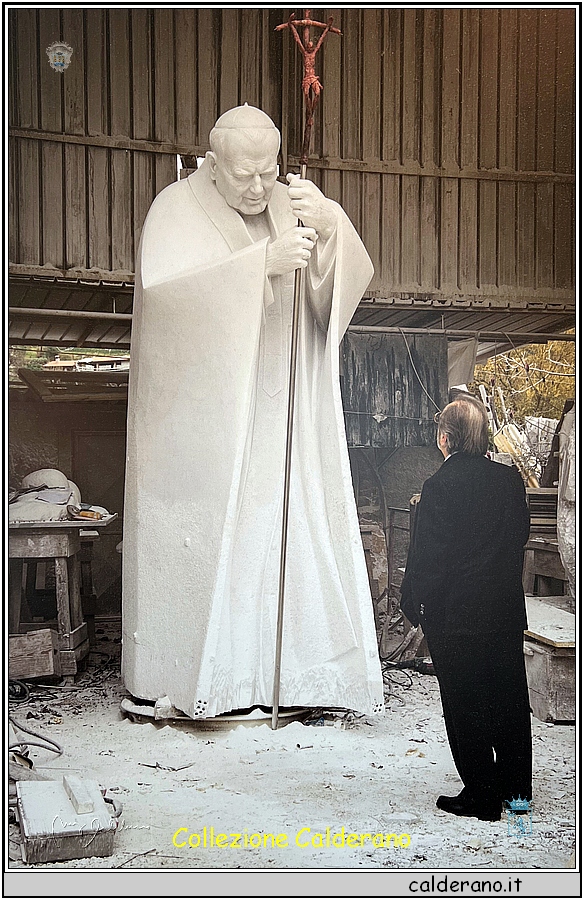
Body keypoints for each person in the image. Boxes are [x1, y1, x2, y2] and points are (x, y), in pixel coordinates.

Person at [122, 105, 384, 720]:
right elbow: (166, 305)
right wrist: (258, 268)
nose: (258, 188)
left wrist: (330, 229)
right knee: (223, 549)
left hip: (283, 420)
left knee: (284, 538)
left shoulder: (283, 203)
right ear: (211, 165)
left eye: (268, 173)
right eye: (244, 176)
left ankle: (289, 680)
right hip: (210, 434)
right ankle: (212, 684)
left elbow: (334, 301)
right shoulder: (174, 210)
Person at [400, 395, 532, 821]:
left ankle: (481, 794)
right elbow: (519, 538)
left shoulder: (439, 486)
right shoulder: (510, 481)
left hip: (456, 615)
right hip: (503, 612)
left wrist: (419, 605)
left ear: (445, 438)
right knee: (510, 700)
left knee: (464, 703)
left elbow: (429, 558)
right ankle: (516, 793)